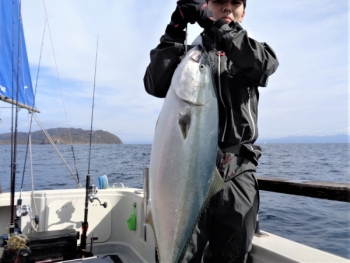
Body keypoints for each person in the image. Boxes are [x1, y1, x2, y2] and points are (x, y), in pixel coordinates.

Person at [144, 0, 279, 262]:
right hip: (185, 169)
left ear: (243, 11)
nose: (227, 8)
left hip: (237, 172)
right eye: (219, 2)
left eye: (235, 3)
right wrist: (175, 29)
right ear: (207, 5)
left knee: (233, 255)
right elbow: (155, 83)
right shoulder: (189, 56)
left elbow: (264, 66)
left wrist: (217, 27)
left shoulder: (253, 50)